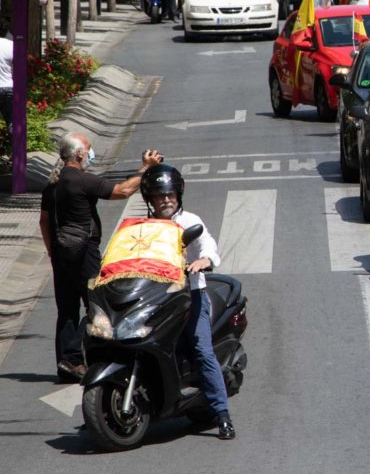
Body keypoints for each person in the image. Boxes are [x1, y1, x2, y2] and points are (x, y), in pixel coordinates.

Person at [38, 134, 163, 381]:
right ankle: (102, 358)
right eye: (89, 149)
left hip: (61, 254)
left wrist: (53, 251)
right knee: (98, 304)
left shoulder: (53, 183)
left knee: (67, 310)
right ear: (79, 154)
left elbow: (44, 222)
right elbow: (123, 191)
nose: (91, 154)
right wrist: (146, 168)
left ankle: (68, 361)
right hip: (84, 254)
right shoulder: (83, 181)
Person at [141, 164, 236, 440]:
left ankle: (222, 415)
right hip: (153, 298)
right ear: (150, 199)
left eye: (170, 195)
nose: (166, 200)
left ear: (178, 195)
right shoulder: (142, 227)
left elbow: (208, 245)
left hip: (189, 296)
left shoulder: (190, 221)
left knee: (201, 349)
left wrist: (204, 261)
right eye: (159, 196)